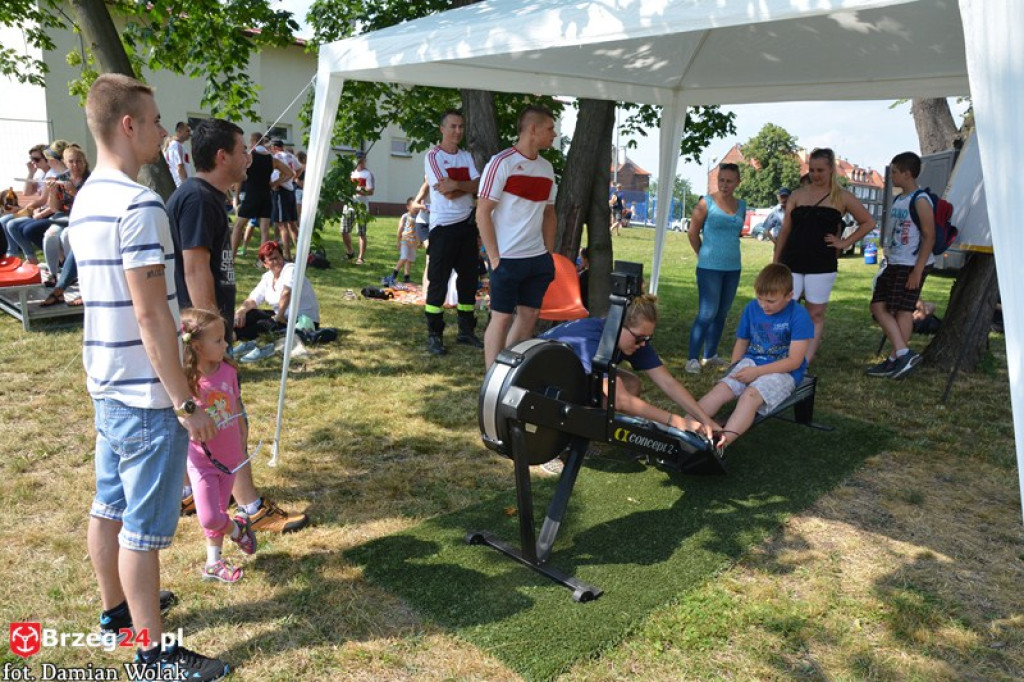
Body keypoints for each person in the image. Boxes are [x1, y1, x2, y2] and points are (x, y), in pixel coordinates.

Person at [67, 73, 228, 679]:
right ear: (128, 124)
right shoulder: (139, 203)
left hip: (107, 383)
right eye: (156, 120)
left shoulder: (87, 197)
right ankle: (153, 655)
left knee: (108, 504)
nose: (165, 131)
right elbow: (152, 314)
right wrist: (185, 403)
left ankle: (118, 614)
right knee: (142, 528)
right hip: (143, 393)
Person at [168, 123, 309, 533]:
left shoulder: (206, 197)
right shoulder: (197, 198)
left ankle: (192, 489)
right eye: (241, 150)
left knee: (216, 417)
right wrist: (211, 340)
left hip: (203, 336)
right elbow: (195, 269)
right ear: (221, 157)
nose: (249, 157)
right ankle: (250, 507)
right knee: (230, 417)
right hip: (202, 337)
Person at [540, 293, 718, 439]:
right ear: (618, 326)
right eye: (639, 338)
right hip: (540, 383)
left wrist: (705, 420)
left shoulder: (630, 338)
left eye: (647, 338)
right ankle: (560, 439)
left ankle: (591, 432)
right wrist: (676, 421)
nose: (643, 344)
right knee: (613, 391)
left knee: (631, 384)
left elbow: (668, 382)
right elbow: (621, 400)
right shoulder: (591, 342)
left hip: (569, 375)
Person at [773, 147, 875, 364]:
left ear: (831, 170)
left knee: (815, 314)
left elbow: (868, 222)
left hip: (821, 263)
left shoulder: (842, 197)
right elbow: (785, 230)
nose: (815, 175)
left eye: (820, 170)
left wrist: (844, 242)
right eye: (812, 170)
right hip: (792, 260)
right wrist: (776, 261)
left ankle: (803, 362)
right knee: (783, 308)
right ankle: (782, 355)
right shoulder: (797, 195)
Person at [695, 263, 813, 448]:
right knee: (722, 389)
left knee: (749, 397)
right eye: (760, 299)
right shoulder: (752, 308)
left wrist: (756, 372)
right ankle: (684, 427)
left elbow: (794, 361)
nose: (764, 305)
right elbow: (742, 341)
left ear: (789, 296)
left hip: (785, 371)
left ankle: (721, 444)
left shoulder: (799, 315)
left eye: (771, 301)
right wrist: (734, 368)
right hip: (751, 362)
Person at [180, 308, 258, 583]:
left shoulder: (228, 371)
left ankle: (213, 563)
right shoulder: (184, 381)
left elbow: (235, 408)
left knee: (219, 509)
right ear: (197, 346)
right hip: (201, 460)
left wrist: (242, 438)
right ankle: (237, 530)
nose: (226, 344)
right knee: (210, 516)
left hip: (230, 456)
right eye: (218, 340)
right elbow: (179, 415)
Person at [478, 105, 558, 369]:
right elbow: (482, 212)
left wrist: (548, 254)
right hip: (507, 257)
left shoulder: (547, 168)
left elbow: (549, 213)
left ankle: (507, 371)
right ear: (533, 129)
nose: (554, 134)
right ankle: (492, 379)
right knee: (501, 318)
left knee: (529, 314)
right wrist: (494, 258)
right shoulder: (502, 162)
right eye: (550, 128)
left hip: (536, 258)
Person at [866, 151, 935, 379]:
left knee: (903, 311)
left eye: (895, 172)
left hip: (910, 265)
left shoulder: (920, 200)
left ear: (907, 174)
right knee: (879, 306)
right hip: (894, 262)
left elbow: (929, 236)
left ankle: (897, 359)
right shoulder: (899, 199)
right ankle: (903, 354)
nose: (891, 176)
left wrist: (917, 270)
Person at [423, 110, 483, 355]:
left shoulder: (466, 156)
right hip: (443, 228)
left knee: (468, 281)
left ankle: (466, 331)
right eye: (453, 126)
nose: (458, 131)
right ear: (442, 129)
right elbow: (446, 192)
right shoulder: (433, 156)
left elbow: (479, 185)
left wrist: (457, 184)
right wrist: (466, 187)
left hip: (467, 226)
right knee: (438, 281)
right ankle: (434, 335)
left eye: (461, 126)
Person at [685, 162, 747, 374]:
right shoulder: (706, 203)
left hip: (733, 267)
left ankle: (710, 355)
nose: (724, 185)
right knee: (707, 313)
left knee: (721, 313)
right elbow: (692, 233)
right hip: (709, 267)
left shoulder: (742, 205)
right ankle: (692, 358)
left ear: (738, 182)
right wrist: (703, 254)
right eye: (721, 180)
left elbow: (736, 233)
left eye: (729, 181)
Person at [233, 240, 320, 343]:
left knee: (265, 324)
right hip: (281, 316)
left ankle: (234, 335)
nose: (276, 261)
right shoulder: (267, 277)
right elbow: (253, 299)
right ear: (265, 264)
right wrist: (241, 311)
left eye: (277, 257)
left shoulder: (291, 269)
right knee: (251, 313)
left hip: (302, 320)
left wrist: (280, 316)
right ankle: (228, 329)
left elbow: (286, 293)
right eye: (271, 259)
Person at [39, 144, 91, 306]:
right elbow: (55, 208)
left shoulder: (91, 180)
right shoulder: (62, 178)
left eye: (79, 161)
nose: (75, 165)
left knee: (68, 236)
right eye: (71, 162)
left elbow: (92, 205)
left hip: (85, 220)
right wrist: (53, 193)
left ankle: (72, 283)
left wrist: (75, 193)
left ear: (85, 162)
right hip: (64, 218)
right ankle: (53, 275)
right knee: (50, 236)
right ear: (65, 163)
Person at [231, 133, 292, 253]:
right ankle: (263, 259)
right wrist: (274, 183)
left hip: (252, 196)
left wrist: (236, 196)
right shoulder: (272, 159)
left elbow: (239, 179)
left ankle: (231, 257)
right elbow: (290, 173)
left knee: (238, 227)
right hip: (266, 196)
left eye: (250, 142)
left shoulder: (249, 157)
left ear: (254, 141)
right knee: (265, 231)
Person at [0, 145, 49, 265]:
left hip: (45, 211)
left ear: (47, 159)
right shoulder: (41, 175)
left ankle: (30, 257)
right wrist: (31, 172)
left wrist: (26, 209)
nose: (33, 162)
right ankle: (13, 254)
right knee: (4, 220)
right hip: (36, 210)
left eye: (36, 159)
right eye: (31, 159)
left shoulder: (50, 175)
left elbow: (43, 200)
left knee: (12, 224)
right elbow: (26, 192)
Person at [269, 139, 301, 260]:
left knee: (282, 225)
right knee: (292, 224)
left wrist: (276, 183)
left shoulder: (277, 157)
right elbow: (299, 169)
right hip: (290, 191)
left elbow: (278, 173)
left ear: (275, 147)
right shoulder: (290, 156)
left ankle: (287, 255)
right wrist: (293, 179)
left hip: (281, 192)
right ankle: (300, 253)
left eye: (272, 148)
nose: (271, 150)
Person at [344, 151, 374, 264]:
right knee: (344, 230)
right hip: (349, 205)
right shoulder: (351, 173)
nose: (361, 162)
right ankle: (350, 252)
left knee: (361, 233)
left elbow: (370, 191)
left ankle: (360, 257)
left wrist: (357, 190)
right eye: (359, 160)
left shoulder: (368, 174)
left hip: (362, 207)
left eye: (363, 160)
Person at [386, 197, 420, 286]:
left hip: (413, 242)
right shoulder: (405, 216)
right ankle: (393, 275)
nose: (416, 208)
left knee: (409, 260)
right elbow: (400, 228)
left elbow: (419, 230)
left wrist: (419, 241)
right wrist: (398, 241)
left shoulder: (418, 217)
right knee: (404, 257)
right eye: (413, 206)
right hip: (405, 240)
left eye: (417, 207)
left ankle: (406, 277)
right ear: (408, 207)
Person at [164, 121, 192, 188]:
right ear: (179, 131)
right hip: (180, 185)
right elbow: (180, 167)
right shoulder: (176, 146)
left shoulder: (173, 146)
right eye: (187, 131)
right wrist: (186, 185)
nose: (190, 133)